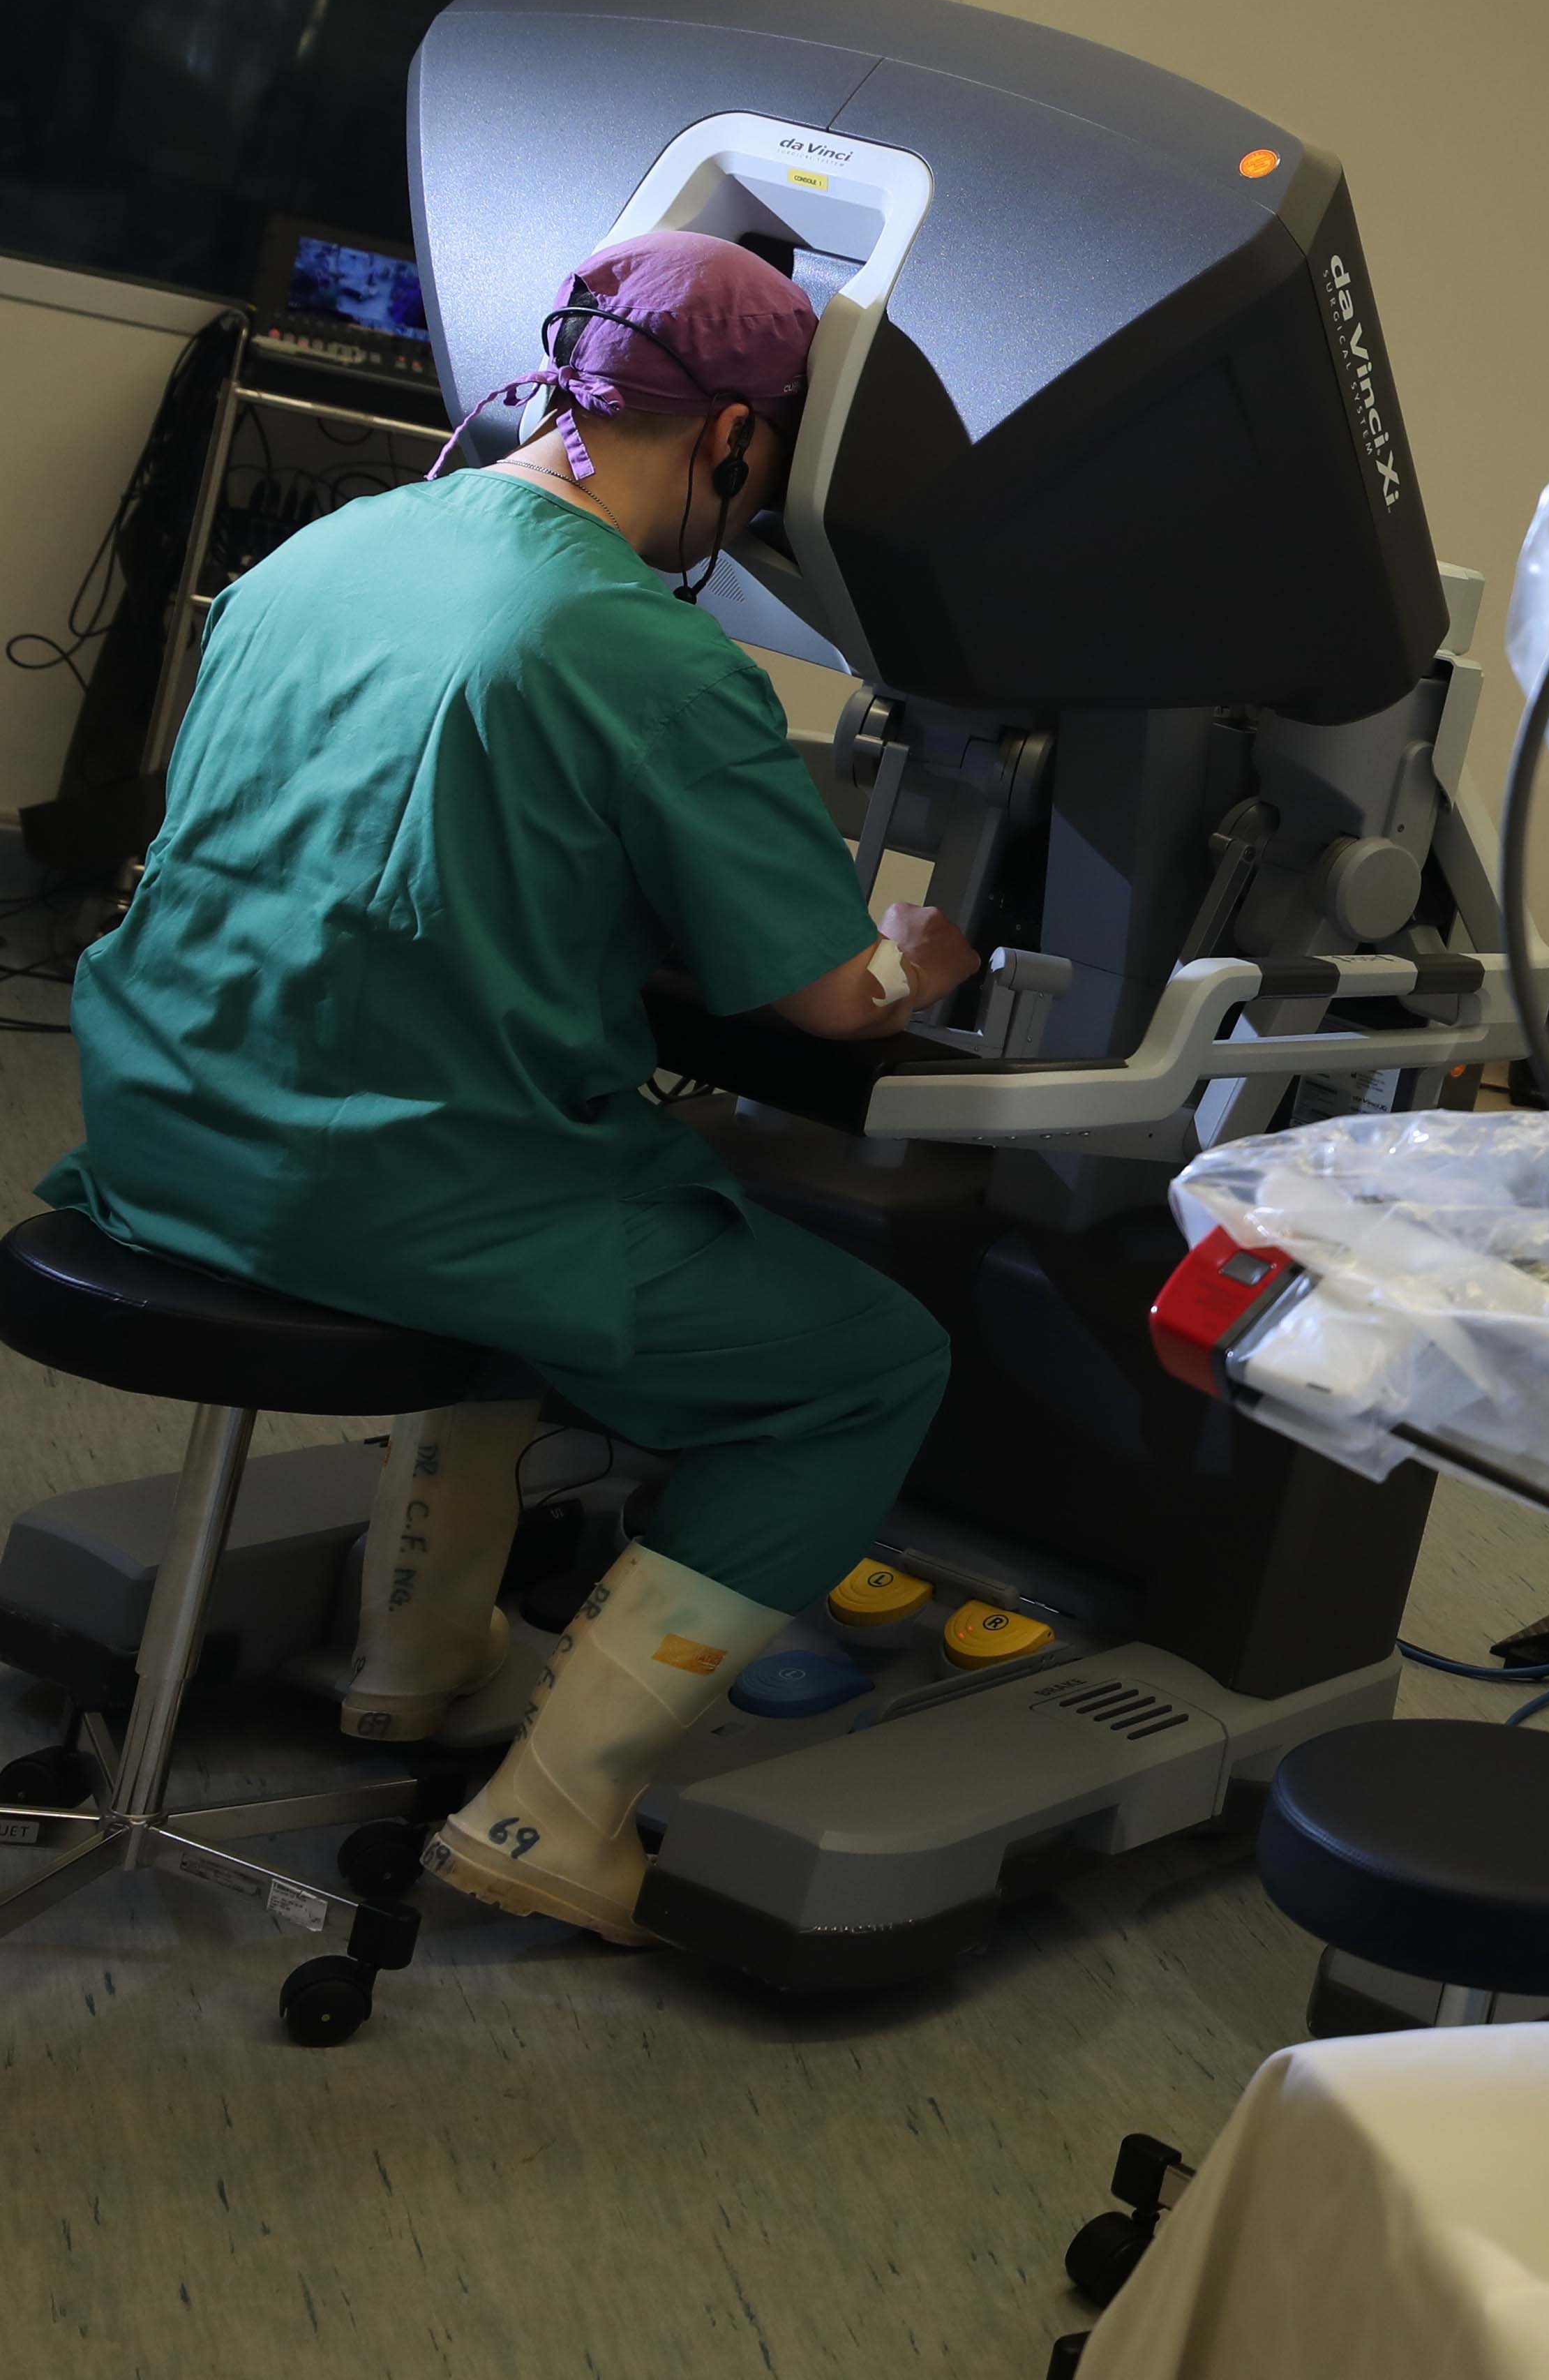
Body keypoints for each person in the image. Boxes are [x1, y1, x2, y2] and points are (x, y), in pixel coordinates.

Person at [42, 230, 980, 1946]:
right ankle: (556, 1811)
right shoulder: (653, 657)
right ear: (736, 443)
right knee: (864, 1359)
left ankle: (418, 1658)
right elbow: (832, 997)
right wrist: (924, 948)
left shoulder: (333, 547)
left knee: (584, 1148)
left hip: (161, 1129)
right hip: (380, 1199)